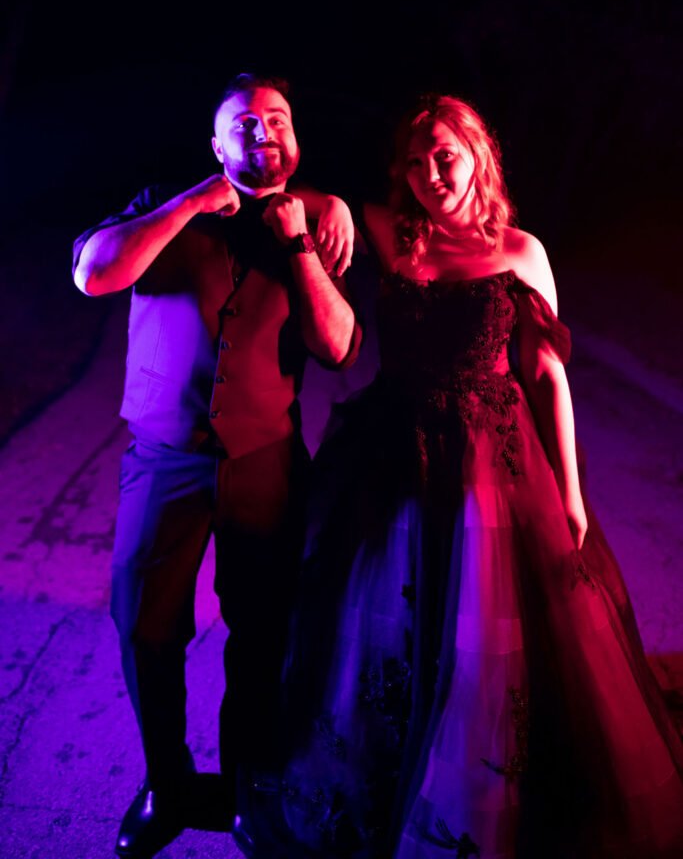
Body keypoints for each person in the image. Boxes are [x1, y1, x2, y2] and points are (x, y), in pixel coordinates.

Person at [233, 94, 683, 859]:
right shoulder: (389, 232)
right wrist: (335, 204)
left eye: (443, 154)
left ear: (478, 153)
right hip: (392, 459)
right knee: (385, 636)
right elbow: (288, 198)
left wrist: (571, 494)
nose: (429, 173)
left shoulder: (519, 250)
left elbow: (545, 376)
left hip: (492, 465)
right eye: (414, 161)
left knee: (490, 640)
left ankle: (484, 805)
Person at [72, 73, 362, 859]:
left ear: (295, 137)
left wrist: (300, 236)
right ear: (216, 144)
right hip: (163, 460)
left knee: (262, 633)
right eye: (243, 122)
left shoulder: (321, 222)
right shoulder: (164, 203)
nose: (261, 131)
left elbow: (337, 347)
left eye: (277, 119)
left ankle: (246, 789)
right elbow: (95, 273)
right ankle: (166, 785)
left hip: (265, 459)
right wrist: (190, 204)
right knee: (144, 623)